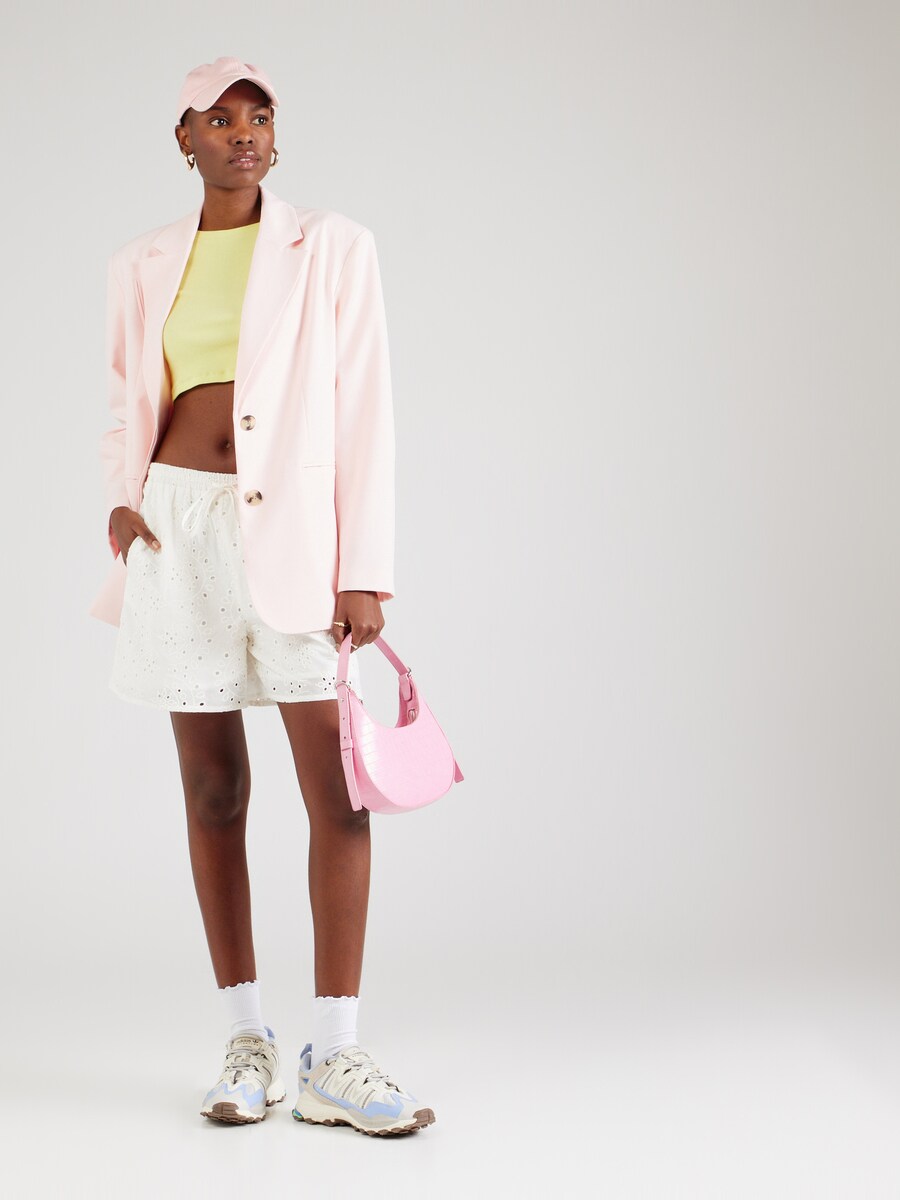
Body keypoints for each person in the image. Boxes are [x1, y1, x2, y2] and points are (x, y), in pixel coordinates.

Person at [88, 56, 435, 1136]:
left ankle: (338, 1052)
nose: (244, 131)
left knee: (337, 793)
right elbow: (127, 393)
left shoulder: (332, 246)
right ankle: (247, 1038)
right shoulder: (142, 262)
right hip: (177, 530)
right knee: (213, 788)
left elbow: (366, 407)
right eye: (219, 117)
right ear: (184, 140)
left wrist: (363, 566)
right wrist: (122, 500)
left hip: (295, 541)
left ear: (275, 138)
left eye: (260, 115)